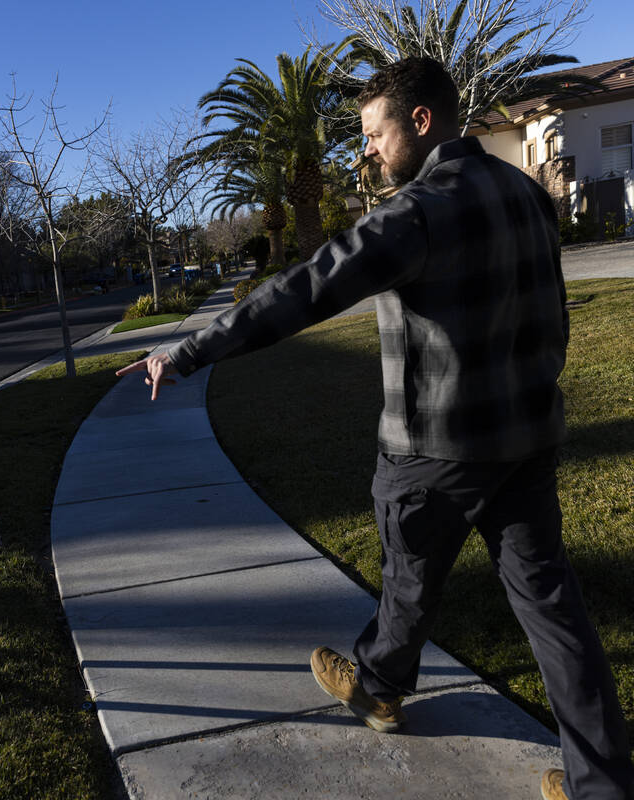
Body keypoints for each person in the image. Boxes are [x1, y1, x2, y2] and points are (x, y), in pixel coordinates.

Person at [116, 57, 632, 800]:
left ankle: (379, 687)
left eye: (373, 133)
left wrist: (187, 350)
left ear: (420, 121)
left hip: (433, 451)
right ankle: (602, 785)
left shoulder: (416, 212)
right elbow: (555, 317)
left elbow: (305, 288)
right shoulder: (526, 192)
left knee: (409, 583)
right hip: (526, 440)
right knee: (555, 614)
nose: (367, 151)